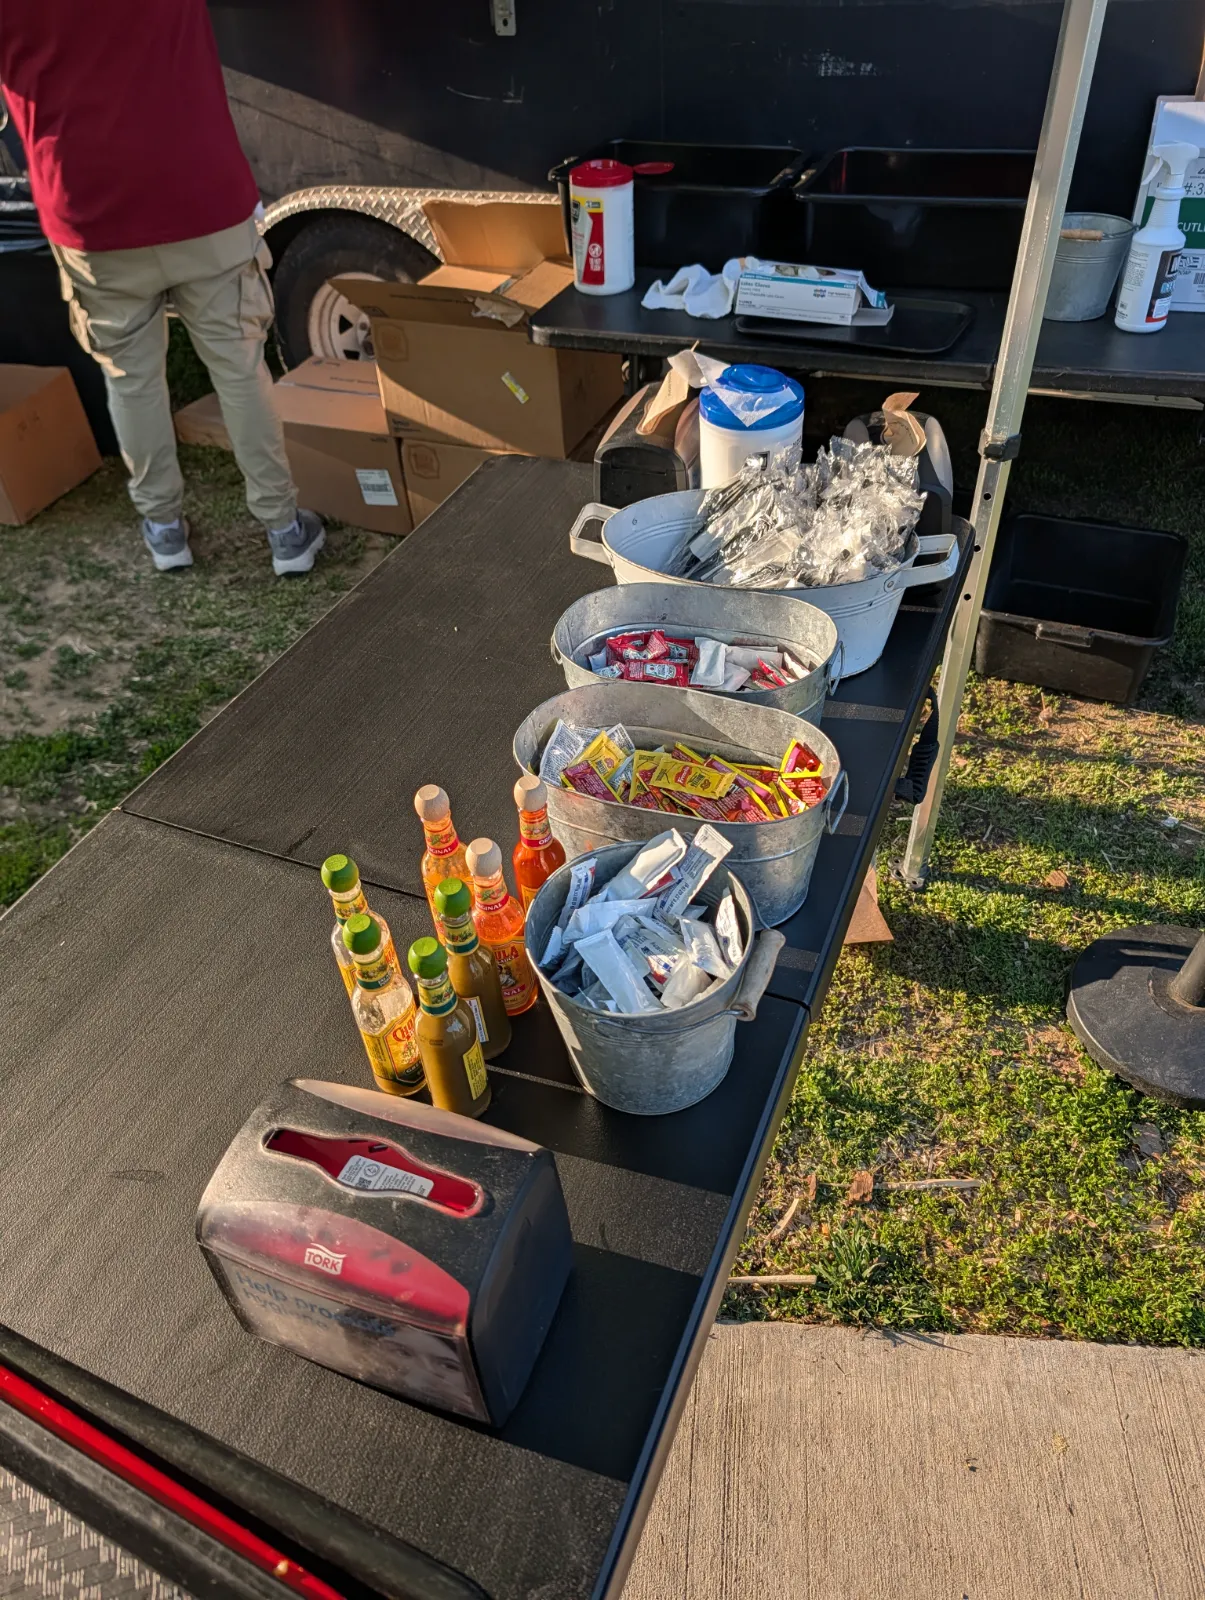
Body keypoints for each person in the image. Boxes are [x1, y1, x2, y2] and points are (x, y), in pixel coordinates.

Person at [0, 0, 324, 576]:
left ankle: (165, 530)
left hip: (86, 206)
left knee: (130, 377)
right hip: (200, 191)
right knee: (239, 364)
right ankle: (284, 531)